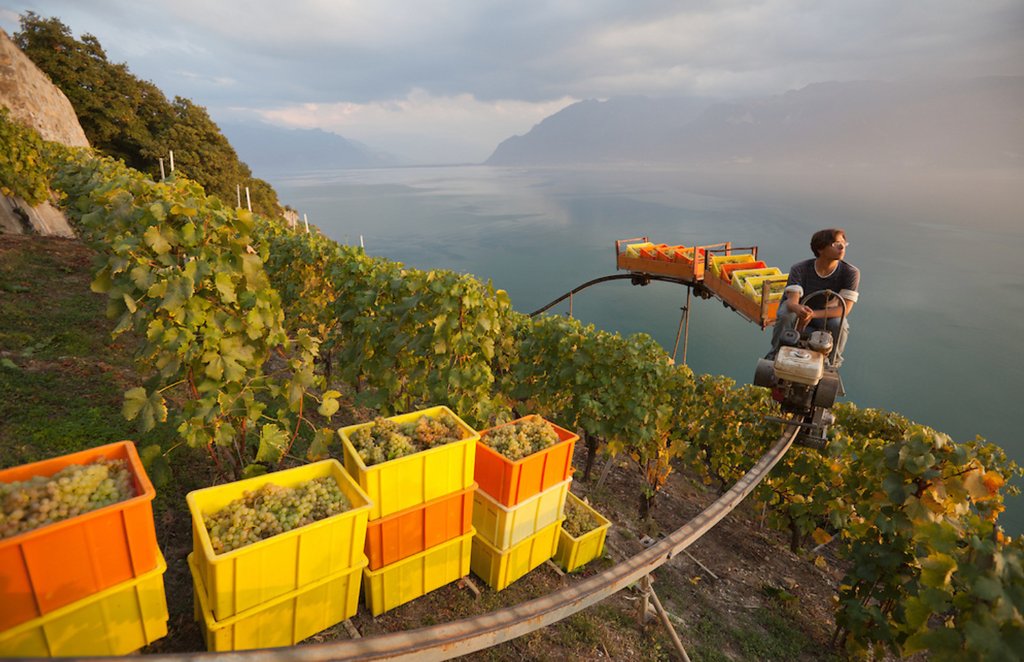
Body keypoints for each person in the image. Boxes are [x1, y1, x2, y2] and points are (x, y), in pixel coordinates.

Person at [768, 228, 860, 367]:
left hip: (824, 314)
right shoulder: (800, 268)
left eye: (843, 243)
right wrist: (800, 309)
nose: (842, 247)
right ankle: (776, 352)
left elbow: (844, 309)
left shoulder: (850, 273)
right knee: (785, 314)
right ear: (820, 249)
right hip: (799, 310)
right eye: (836, 244)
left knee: (840, 324)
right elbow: (791, 302)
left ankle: (833, 362)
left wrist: (812, 315)